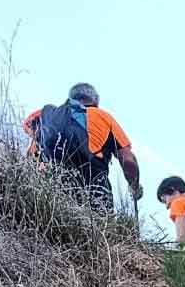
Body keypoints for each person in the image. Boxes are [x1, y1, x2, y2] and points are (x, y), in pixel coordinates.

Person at [23, 82, 142, 212]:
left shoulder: (51, 118)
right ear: (95, 100)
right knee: (102, 228)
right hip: (93, 186)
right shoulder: (102, 116)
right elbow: (127, 159)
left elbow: (30, 158)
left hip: (52, 189)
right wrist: (134, 186)